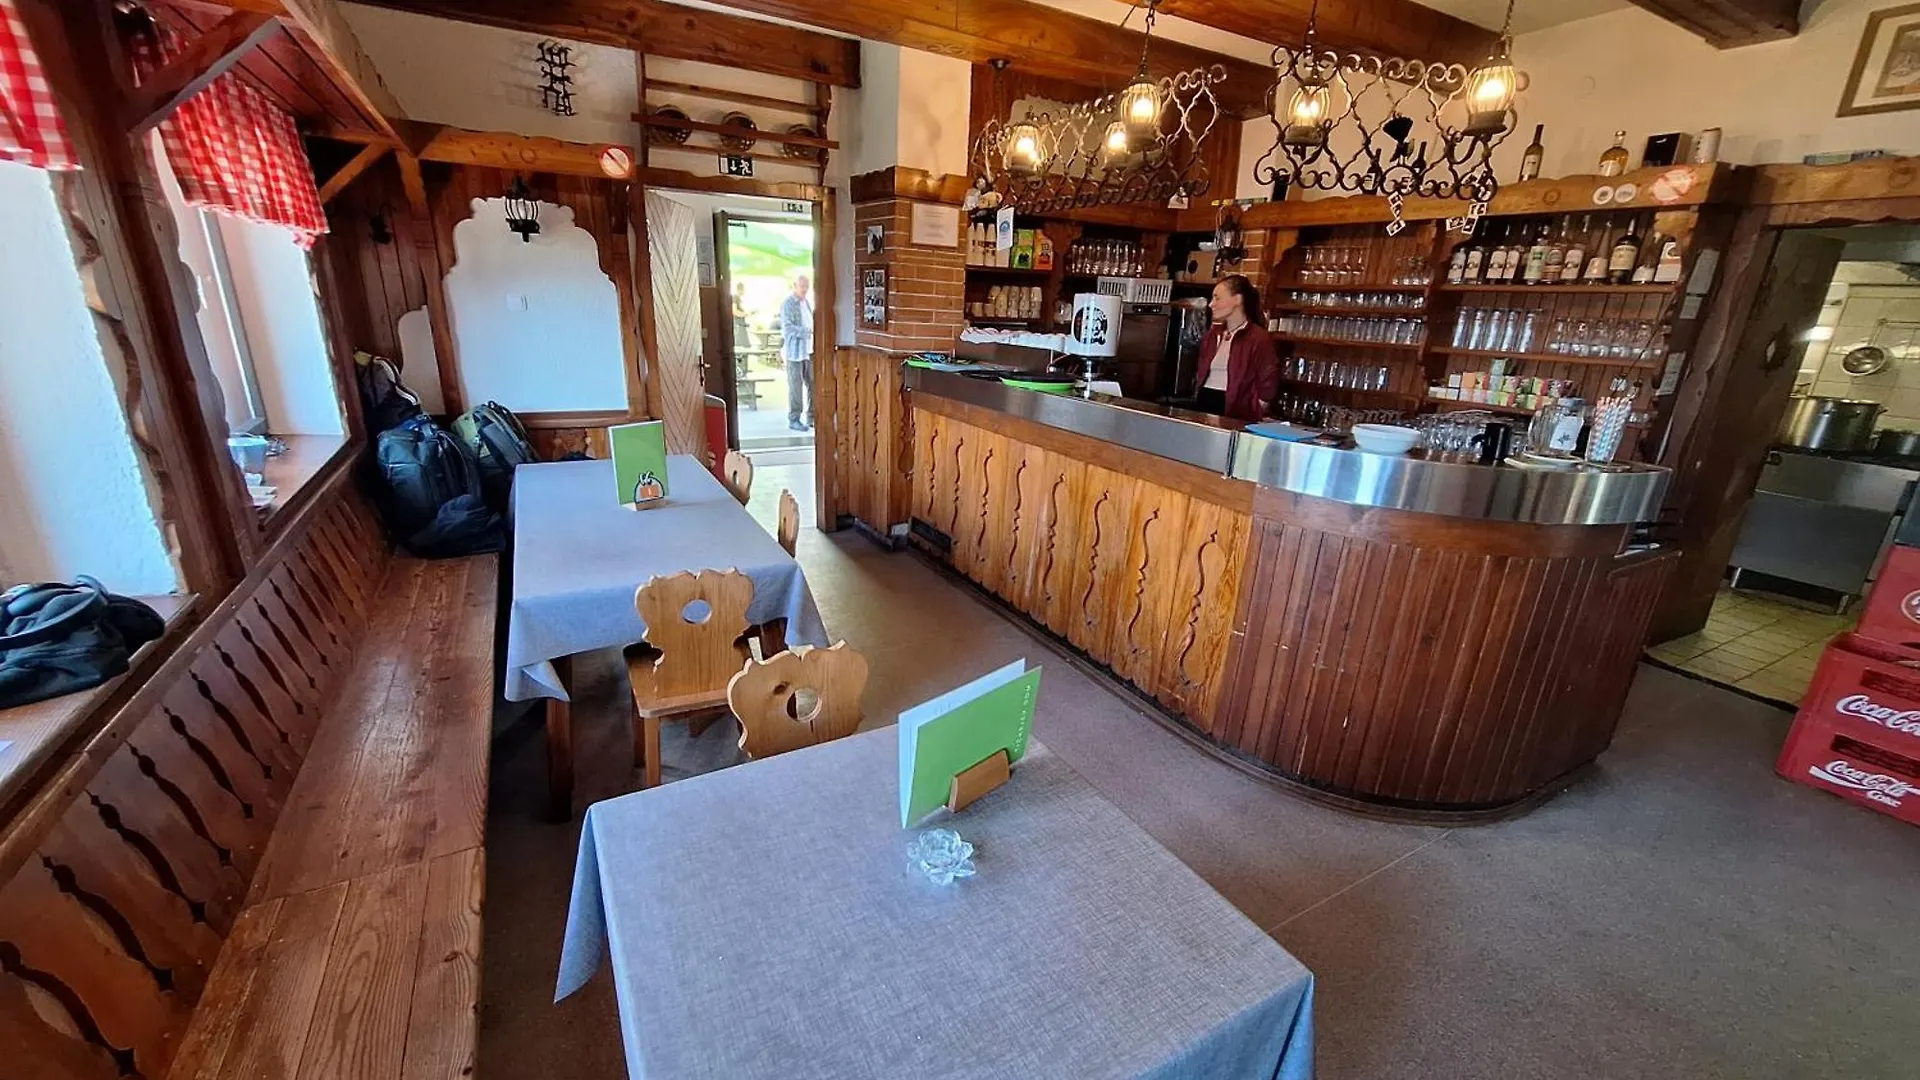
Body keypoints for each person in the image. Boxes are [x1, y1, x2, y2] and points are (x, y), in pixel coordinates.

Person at [1192, 274, 1280, 421]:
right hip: (1204, 400)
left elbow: (1269, 381)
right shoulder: (1212, 335)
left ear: (1237, 299)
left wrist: (1254, 409)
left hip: (1236, 409)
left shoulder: (1258, 338)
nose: (1211, 304)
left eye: (1217, 298)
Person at [779, 274, 815, 431]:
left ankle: (812, 417)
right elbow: (787, 328)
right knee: (795, 387)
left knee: (813, 384)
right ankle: (794, 419)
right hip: (794, 353)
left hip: (809, 351)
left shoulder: (806, 302)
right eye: (802, 286)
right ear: (795, 286)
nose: (805, 289)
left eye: (807, 286)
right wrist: (806, 332)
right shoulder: (788, 304)